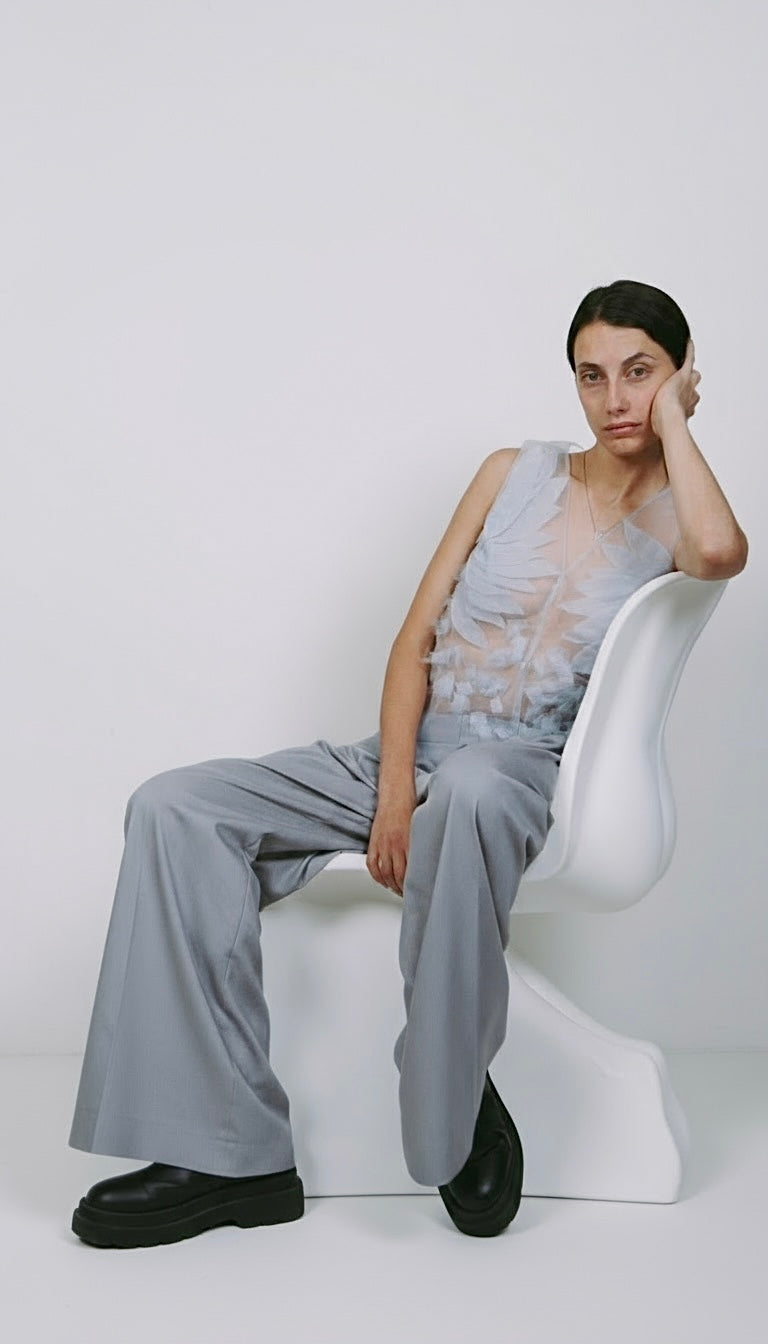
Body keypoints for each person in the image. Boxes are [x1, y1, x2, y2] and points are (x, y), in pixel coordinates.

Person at [68, 279, 748, 1247]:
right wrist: (393, 791)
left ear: (680, 377)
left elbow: (721, 554)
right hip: (405, 757)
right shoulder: (511, 472)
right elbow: (414, 636)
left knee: (467, 791)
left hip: (517, 773)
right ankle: (226, 1154)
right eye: (592, 376)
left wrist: (676, 420)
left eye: (640, 373)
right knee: (174, 808)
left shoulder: (680, 518)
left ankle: (449, 1102)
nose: (615, 399)